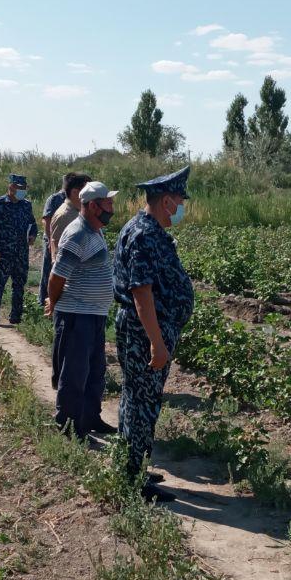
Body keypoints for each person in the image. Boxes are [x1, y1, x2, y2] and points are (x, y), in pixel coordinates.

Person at [112, 165, 195, 502]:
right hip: (143, 333)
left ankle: (132, 467)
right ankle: (133, 482)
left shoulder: (150, 230)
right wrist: (156, 342)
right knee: (141, 404)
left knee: (138, 400)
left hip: (148, 331)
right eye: (179, 200)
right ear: (165, 202)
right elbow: (141, 293)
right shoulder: (144, 234)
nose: (181, 206)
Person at [45, 180, 118, 439]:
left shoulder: (94, 230)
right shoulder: (78, 233)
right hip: (77, 315)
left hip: (93, 314)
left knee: (95, 372)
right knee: (74, 374)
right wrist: (53, 302)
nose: (112, 207)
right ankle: (68, 426)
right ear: (93, 206)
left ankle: (90, 418)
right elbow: (57, 276)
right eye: (108, 203)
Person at [0, 173, 38, 326]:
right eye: (20, 187)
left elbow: (32, 224)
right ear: (11, 186)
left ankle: (16, 318)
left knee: (19, 285)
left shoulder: (26, 205)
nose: (23, 191)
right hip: (3, 252)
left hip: (21, 252)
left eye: (24, 188)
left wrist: (33, 235)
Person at [39, 173, 89, 308]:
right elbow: (47, 221)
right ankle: (45, 302)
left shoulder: (79, 210)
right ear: (74, 191)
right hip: (54, 246)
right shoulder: (62, 210)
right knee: (48, 274)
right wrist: (50, 242)